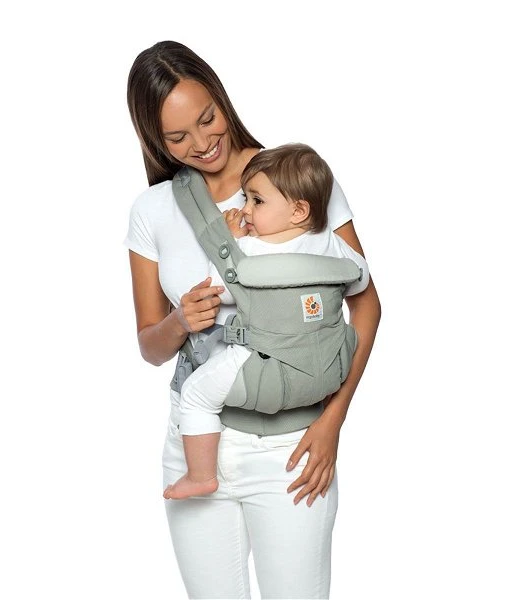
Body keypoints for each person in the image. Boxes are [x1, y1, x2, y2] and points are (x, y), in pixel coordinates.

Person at [125, 41, 381, 600]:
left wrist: (333, 421)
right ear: (154, 140)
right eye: (177, 137)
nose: (202, 143)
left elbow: (365, 302)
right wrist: (179, 321)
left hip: (291, 443)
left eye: (207, 118)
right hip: (195, 440)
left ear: (221, 98)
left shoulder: (295, 178)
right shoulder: (152, 210)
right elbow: (150, 345)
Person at [163, 143, 370, 501]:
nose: (245, 209)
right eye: (246, 198)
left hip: (263, 371)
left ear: (299, 210)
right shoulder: (332, 244)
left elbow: (220, 291)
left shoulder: (251, 250)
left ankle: (200, 475)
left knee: (195, 394)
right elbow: (360, 278)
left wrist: (234, 240)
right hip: (327, 372)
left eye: (256, 201)